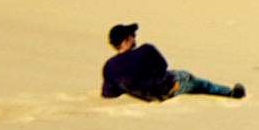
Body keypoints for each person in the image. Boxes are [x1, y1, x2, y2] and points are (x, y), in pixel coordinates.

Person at [100, 23, 245, 101]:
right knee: (204, 85)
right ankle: (231, 93)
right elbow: (163, 66)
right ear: (126, 41)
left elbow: (109, 93)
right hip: (175, 86)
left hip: (153, 96)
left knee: (197, 83)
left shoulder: (109, 67)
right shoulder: (146, 50)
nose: (135, 38)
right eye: (132, 36)